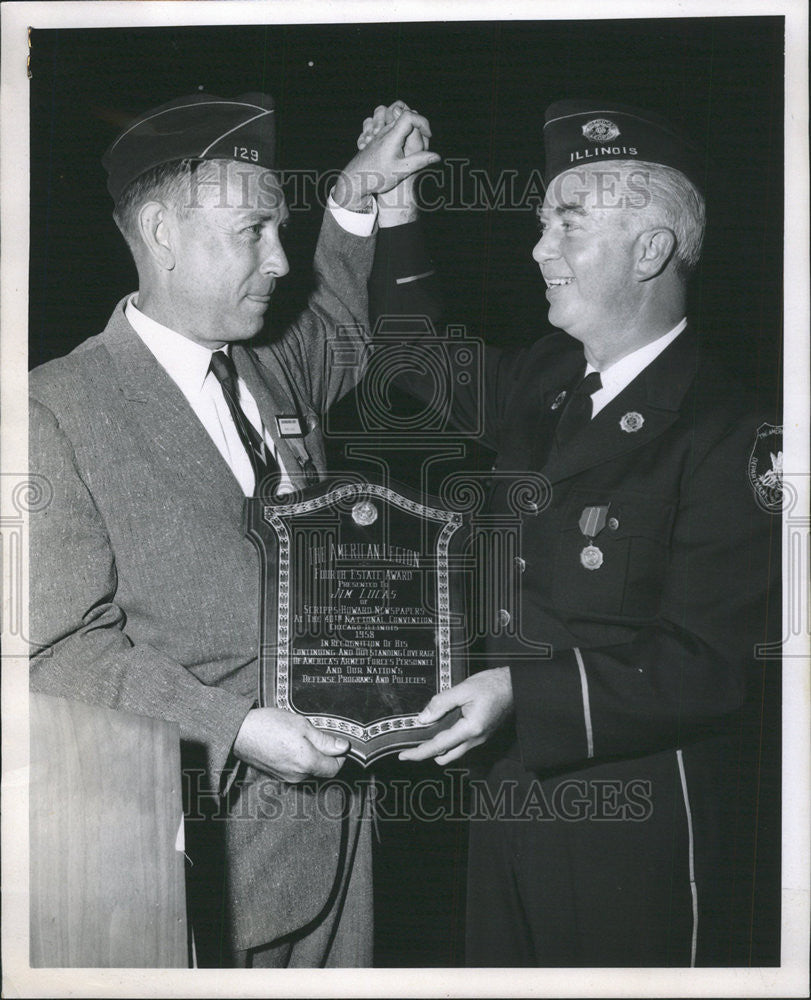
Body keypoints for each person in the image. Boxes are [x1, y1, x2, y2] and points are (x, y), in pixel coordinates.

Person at [28, 91, 439, 968]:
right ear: (162, 235)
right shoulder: (52, 408)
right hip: (201, 848)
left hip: (337, 836)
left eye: (280, 229)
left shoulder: (264, 364)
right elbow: (60, 651)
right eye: (252, 231)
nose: (280, 259)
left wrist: (357, 195)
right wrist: (240, 727)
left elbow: (333, 322)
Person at [369, 100, 782, 965]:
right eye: (540, 223)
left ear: (650, 249)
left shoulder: (731, 435)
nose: (538, 248)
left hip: (634, 820)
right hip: (506, 796)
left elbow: (712, 664)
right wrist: (395, 210)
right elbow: (413, 360)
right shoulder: (548, 379)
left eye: (567, 224)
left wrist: (522, 693)